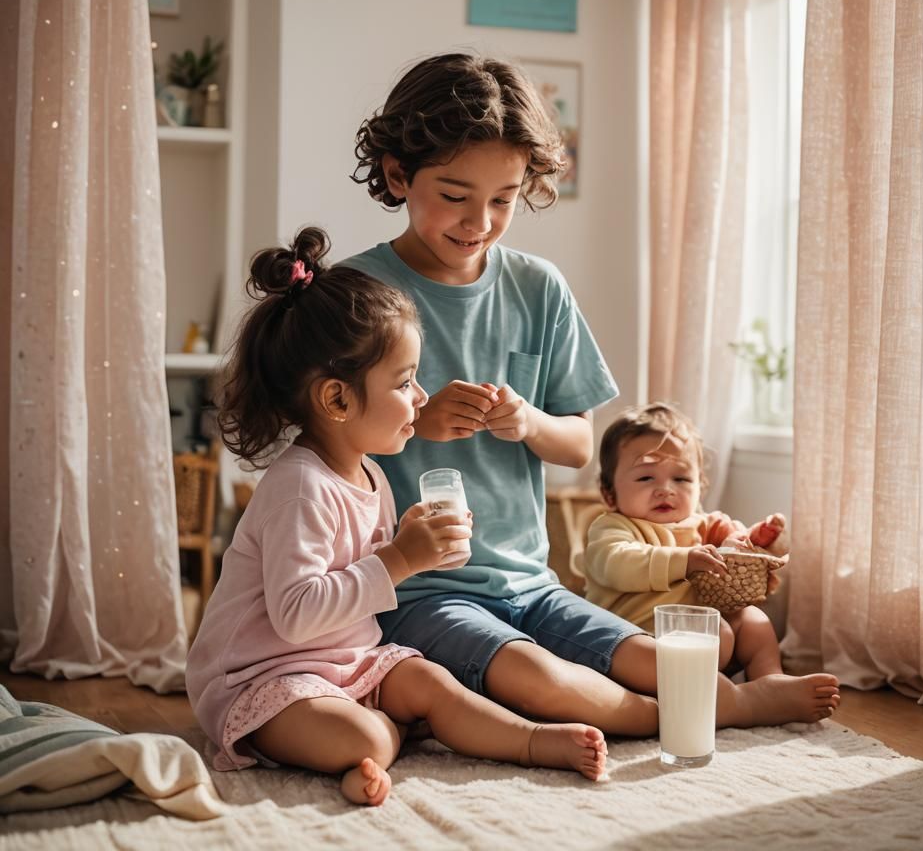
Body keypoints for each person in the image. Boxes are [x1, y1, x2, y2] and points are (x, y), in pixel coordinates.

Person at [345, 52, 840, 733]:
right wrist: (414, 420)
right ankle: (717, 711)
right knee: (541, 681)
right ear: (399, 174)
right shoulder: (359, 297)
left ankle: (704, 702)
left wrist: (528, 422)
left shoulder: (537, 287)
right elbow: (319, 437)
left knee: (654, 656)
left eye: (503, 199)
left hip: (532, 583)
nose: (479, 221)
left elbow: (580, 445)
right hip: (417, 589)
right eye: (455, 196)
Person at [185, 227, 608, 809]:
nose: (422, 397)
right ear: (337, 401)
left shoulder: (372, 475)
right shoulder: (298, 487)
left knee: (432, 682)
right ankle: (376, 744)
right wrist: (401, 558)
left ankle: (533, 742)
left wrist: (411, 541)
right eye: (406, 382)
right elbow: (295, 615)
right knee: (367, 733)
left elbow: (360, 581)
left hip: (348, 663)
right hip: (266, 679)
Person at [584, 402, 796, 686]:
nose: (665, 489)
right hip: (639, 640)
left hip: (706, 638)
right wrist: (683, 560)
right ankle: (711, 693)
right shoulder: (612, 528)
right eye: (646, 477)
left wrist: (754, 541)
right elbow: (616, 564)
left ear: (699, 488)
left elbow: (733, 546)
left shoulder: (705, 524)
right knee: (716, 631)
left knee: (753, 621)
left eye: (681, 478)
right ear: (609, 494)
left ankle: (770, 679)